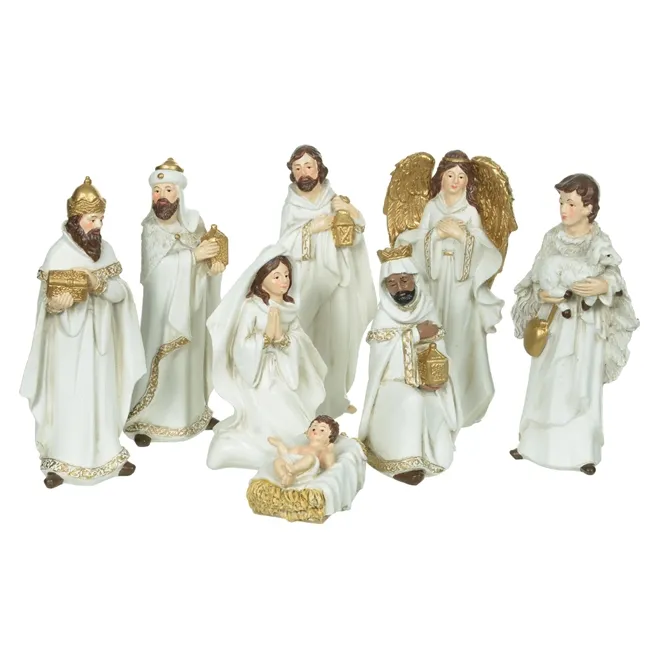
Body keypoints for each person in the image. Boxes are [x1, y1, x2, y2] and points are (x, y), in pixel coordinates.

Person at [20, 177, 146, 487]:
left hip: (102, 341)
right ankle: (62, 460)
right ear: (76, 219)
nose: (98, 225)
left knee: (102, 393)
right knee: (70, 396)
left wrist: (98, 284)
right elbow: (46, 305)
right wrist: (56, 305)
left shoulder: (106, 250)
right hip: (67, 343)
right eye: (92, 219)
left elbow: (121, 293)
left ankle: (107, 454)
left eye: (101, 218)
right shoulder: (58, 253)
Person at [511, 173, 639, 474]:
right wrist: (541, 293)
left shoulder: (599, 241)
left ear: (588, 208)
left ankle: (581, 451)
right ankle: (534, 443)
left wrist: (603, 285)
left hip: (585, 326)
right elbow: (535, 275)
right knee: (546, 381)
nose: (563, 209)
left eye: (571, 203)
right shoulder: (552, 237)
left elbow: (615, 278)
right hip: (554, 323)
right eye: (561, 202)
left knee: (580, 384)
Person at [395, 150, 505, 427]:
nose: (455, 181)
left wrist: (462, 236)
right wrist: (435, 235)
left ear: (468, 182)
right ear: (440, 178)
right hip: (434, 280)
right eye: (450, 175)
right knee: (432, 328)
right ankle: (428, 394)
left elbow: (485, 249)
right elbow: (417, 240)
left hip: (460, 283)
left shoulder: (470, 212)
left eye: (461, 177)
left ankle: (460, 398)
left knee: (457, 333)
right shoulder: (432, 207)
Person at [125, 158, 224, 445]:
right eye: (156, 191)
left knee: (190, 358)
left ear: (179, 194)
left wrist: (213, 265)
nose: (161, 197)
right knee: (164, 359)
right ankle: (147, 419)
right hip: (163, 312)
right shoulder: (151, 229)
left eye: (167, 190)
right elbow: (154, 276)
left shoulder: (194, 224)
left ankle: (193, 413)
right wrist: (193, 257)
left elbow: (205, 263)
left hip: (193, 307)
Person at [206, 246, 327, 470]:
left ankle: (294, 450)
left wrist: (283, 340)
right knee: (275, 404)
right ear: (262, 279)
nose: (284, 281)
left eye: (287, 275)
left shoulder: (289, 307)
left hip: (286, 368)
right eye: (277, 276)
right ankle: (266, 448)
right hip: (258, 372)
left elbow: (299, 338)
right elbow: (240, 345)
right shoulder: (251, 307)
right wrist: (264, 338)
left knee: (297, 418)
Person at [278, 145, 376, 418]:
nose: (303, 173)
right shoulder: (291, 206)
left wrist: (349, 210)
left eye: (308, 166)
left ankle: (334, 399)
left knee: (338, 341)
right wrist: (311, 229)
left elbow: (358, 228)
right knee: (309, 340)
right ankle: (307, 404)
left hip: (339, 281)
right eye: (297, 168)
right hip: (306, 283)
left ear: (319, 168)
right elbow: (283, 245)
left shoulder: (334, 199)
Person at [358, 244, 461, 485]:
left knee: (436, 405)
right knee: (412, 401)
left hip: (426, 381)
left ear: (414, 279)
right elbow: (383, 361)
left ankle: (432, 457)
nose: (400, 288)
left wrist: (435, 377)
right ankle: (404, 462)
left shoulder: (428, 307)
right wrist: (415, 334)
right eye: (392, 284)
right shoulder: (384, 315)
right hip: (393, 383)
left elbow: (438, 348)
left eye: (404, 280)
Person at [268, 415, 338, 486]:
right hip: (290, 468)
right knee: (278, 461)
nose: (315, 430)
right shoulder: (300, 447)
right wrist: (279, 444)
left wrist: (329, 452)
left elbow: (329, 465)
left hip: (307, 470)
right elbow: (286, 454)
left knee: (310, 457)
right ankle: (285, 477)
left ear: (329, 438)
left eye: (322, 430)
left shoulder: (322, 449)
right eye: (314, 427)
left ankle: (294, 470)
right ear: (307, 432)